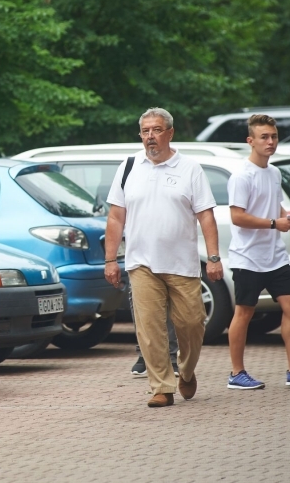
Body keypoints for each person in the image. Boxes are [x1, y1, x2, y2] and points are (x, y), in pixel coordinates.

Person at [104, 107, 223, 408]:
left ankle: (187, 370)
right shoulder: (129, 166)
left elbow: (206, 216)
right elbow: (117, 217)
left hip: (181, 264)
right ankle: (161, 386)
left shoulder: (190, 169)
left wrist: (213, 257)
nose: (150, 137)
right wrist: (110, 260)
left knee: (192, 324)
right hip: (141, 263)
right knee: (149, 327)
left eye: (156, 130)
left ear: (170, 133)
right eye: (145, 131)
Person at [226, 114, 290, 390]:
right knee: (245, 312)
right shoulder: (241, 175)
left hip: (275, 257)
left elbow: (275, 206)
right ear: (251, 141)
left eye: (273, 136)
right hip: (248, 257)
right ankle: (237, 374)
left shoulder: (274, 172)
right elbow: (237, 216)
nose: (270, 142)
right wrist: (274, 223)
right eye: (264, 137)